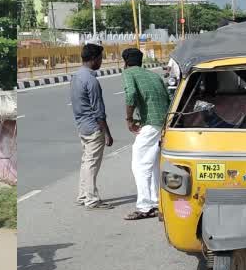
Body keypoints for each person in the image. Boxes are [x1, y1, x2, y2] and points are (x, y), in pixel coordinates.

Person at [121, 47, 171, 220]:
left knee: (140, 164)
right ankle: (157, 203)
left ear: (125, 62)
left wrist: (129, 119)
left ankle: (144, 206)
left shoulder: (129, 73)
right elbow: (168, 98)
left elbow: (131, 95)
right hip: (164, 123)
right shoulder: (154, 75)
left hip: (150, 123)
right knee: (155, 164)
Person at [70, 43, 114, 209]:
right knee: (91, 164)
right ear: (94, 59)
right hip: (94, 128)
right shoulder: (91, 81)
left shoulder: (76, 77)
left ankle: (82, 195)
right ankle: (91, 199)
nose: (101, 62)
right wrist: (107, 133)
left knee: (86, 162)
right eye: (101, 58)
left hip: (82, 126)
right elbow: (99, 111)